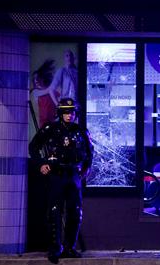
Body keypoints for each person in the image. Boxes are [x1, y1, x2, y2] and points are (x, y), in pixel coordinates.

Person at [29, 98, 93, 264]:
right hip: (56, 174)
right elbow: (33, 146)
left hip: (73, 174)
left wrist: (87, 168)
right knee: (55, 212)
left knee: (75, 212)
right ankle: (55, 248)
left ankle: (70, 247)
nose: (69, 115)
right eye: (65, 112)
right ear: (60, 113)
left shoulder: (80, 131)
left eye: (71, 111)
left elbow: (89, 151)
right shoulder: (51, 128)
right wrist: (41, 163)